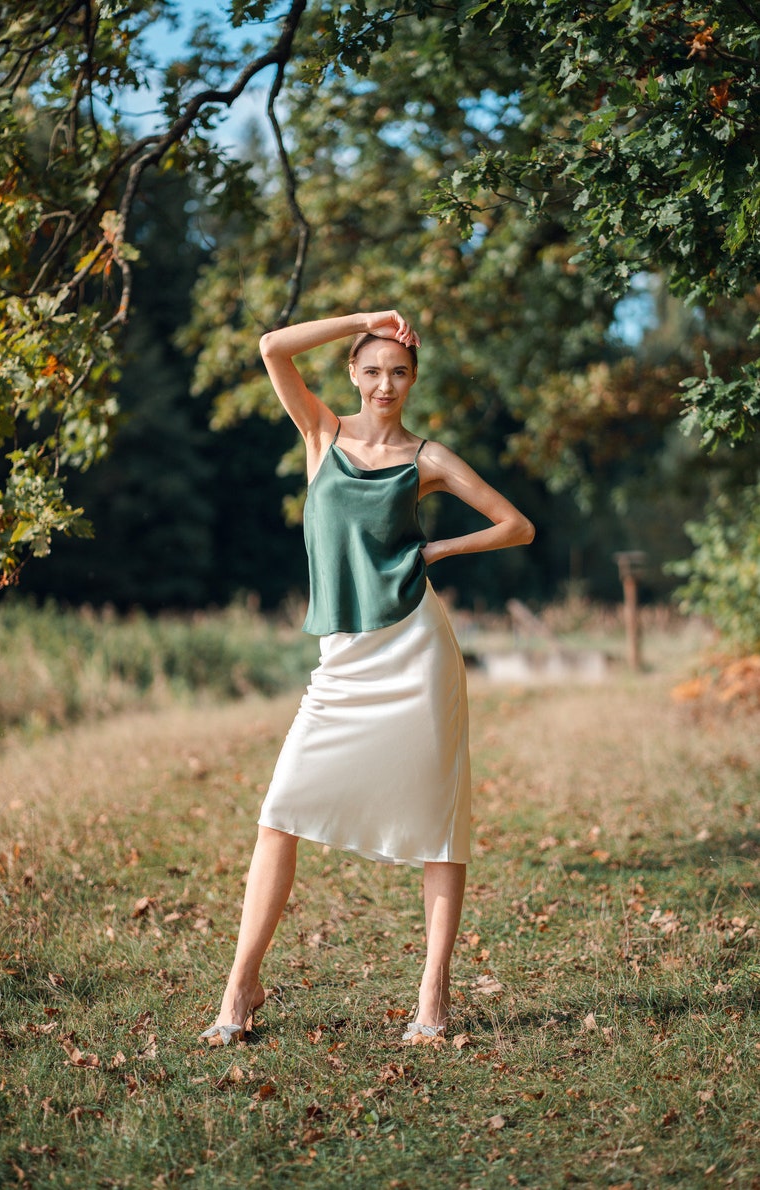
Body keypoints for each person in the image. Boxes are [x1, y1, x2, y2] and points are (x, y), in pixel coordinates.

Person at [199, 309, 534, 1046]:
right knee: (281, 806)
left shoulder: (428, 458)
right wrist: (363, 319)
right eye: (373, 369)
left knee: (440, 825)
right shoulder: (321, 434)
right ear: (353, 373)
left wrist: (438, 549)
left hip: (417, 649)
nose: (386, 384)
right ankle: (241, 985)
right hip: (345, 658)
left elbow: (517, 525)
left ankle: (433, 998)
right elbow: (270, 347)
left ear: (413, 380)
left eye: (400, 372)